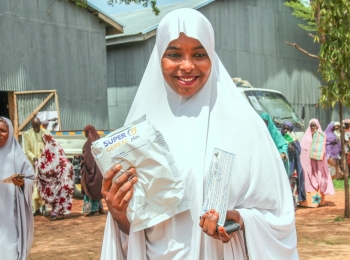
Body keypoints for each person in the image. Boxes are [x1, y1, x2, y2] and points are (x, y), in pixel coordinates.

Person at [100, 9, 298, 259]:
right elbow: (139, 231)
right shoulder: (139, 134)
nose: (186, 65)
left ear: (212, 56)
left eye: (199, 54)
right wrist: (119, 214)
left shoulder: (245, 128)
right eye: (173, 54)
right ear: (159, 57)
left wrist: (238, 219)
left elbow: (279, 219)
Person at [0, 117, 35, 259]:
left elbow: (30, 179)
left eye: (2, 130)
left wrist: (22, 184)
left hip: (11, 215)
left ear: (9, 133)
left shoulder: (17, 156)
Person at [37, 133, 74, 220]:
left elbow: (49, 166)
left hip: (60, 173)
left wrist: (37, 165)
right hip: (66, 172)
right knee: (62, 193)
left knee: (56, 192)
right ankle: (60, 212)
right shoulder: (57, 146)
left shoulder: (47, 148)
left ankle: (57, 212)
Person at [299, 119, 335, 208]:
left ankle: (319, 200)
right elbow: (302, 152)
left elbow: (323, 151)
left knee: (318, 178)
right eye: (311, 126)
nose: (313, 128)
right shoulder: (306, 138)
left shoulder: (321, 137)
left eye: (315, 126)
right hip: (307, 165)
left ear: (318, 126)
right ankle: (308, 202)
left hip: (318, 164)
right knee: (308, 179)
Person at [23, 117, 49, 216]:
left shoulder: (45, 133)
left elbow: (50, 146)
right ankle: (36, 208)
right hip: (32, 164)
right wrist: (34, 158)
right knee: (34, 185)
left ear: (40, 125)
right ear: (32, 126)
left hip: (44, 164)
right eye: (34, 126)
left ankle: (44, 207)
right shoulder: (27, 135)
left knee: (44, 185)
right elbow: (27, 150)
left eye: (37, 126)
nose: (36, 128)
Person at [281, 121, 306, 209]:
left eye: (287, 129)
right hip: (282, 166)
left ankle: (294, 203)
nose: (285, 130)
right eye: (284, 128)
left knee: (292, 184)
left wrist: (293, 150)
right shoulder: (280, 138)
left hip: (292, 165)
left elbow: (299, 151)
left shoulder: (294, 139)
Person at [81, 125, 104, 216]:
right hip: (99, 173)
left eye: (85, 132)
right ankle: (99, 207)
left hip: (90, 172)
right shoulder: (100, 142)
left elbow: (87, 159)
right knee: (98, 188)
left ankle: (92, 209)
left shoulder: (88, 144)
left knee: (89, 189)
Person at [260, 112, 290, 177]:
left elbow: (283, 144)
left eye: (265, 121)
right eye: (262, 121)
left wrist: (283, 152)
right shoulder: (257, 133)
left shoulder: (274, 132)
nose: (263, 123)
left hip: (273, 163)